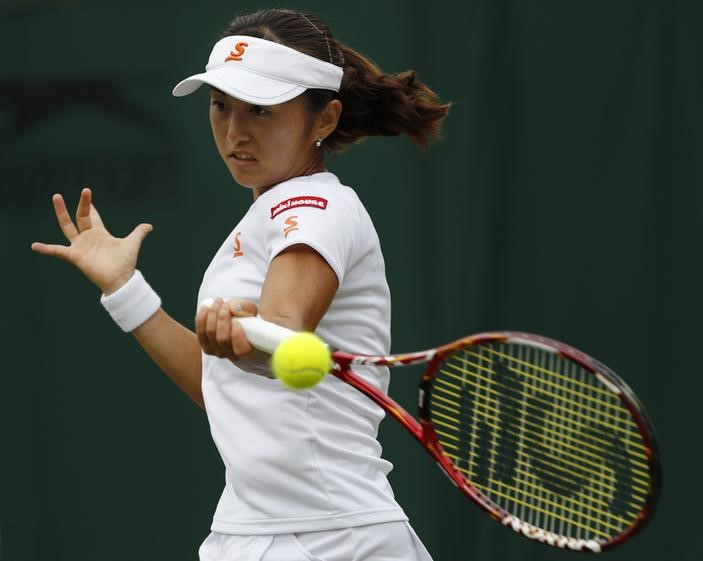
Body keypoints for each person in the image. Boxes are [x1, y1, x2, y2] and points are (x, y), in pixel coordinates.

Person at [31, 8, 450, 561]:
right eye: (220, 106)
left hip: (332, 538)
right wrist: (126, 290)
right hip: (250, 530)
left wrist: (258, 331)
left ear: (323, 119)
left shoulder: (316, 206)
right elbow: (223, 391)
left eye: (260, 109)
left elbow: (283, 324)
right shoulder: (268, 215)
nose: (234, 131)